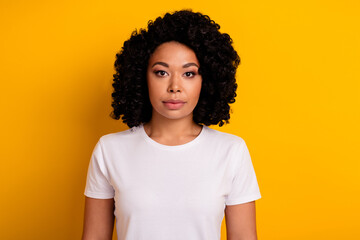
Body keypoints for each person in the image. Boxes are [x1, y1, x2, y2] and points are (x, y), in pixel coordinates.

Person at [82, 9, 261, 240]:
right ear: (141, 76)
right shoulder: (110, 150)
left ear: (205, 81)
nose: (175, 86)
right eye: (162, 72)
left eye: (189, 74)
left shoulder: (231, 151)